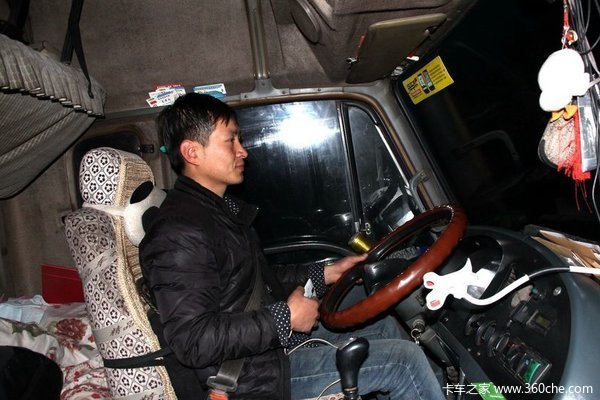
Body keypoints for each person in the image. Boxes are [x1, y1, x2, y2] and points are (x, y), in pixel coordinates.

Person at [139, 93, 445, 400]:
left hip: (266, 352)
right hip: (247, 379)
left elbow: (259, 281)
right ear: (192, 152)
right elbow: (193, 341)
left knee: (385, 326)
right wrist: (284, 318)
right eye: (231, 140)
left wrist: (326, 273)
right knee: (403, 363)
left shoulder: (217, 213)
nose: (243, 151)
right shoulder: (178, 232)